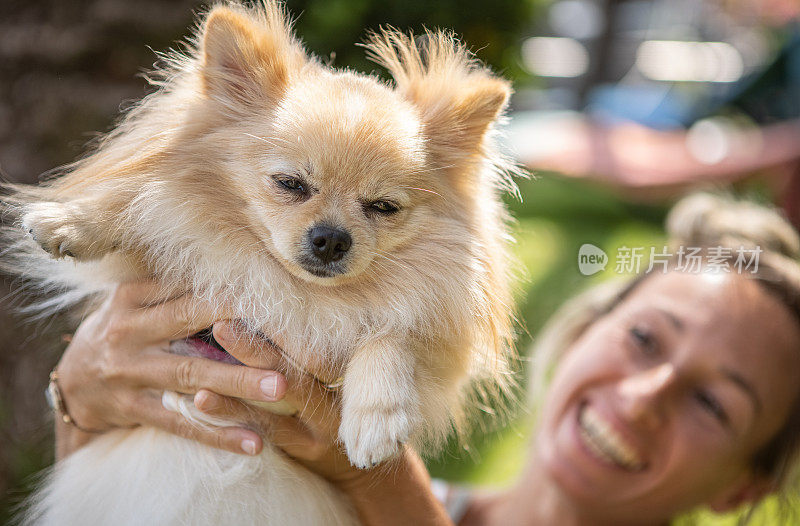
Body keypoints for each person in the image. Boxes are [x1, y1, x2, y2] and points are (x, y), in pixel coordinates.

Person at [51, 193, 800, 525]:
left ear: (743, 487)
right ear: (578, 333)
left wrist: (376, 477)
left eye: (714, 404)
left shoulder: (378, 486)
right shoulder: (371, 494)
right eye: (645, 339)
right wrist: (82, 403)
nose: (645, 396)